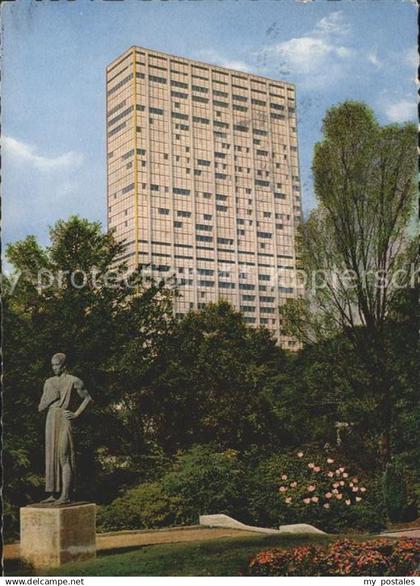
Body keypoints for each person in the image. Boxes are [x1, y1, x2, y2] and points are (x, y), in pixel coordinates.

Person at [38, 353, 93, 505]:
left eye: (57, 365)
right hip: (51, 418)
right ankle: (52, 493)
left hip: (64, 418)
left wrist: (76, 414)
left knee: (63, 454)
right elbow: (40, 407)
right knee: (51, 456)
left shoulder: (73, 380)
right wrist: (51, 398)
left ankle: (65, 495)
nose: (54, 368)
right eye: (53, 366)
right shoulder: (48, 382)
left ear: (64, 366)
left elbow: (88, 398)